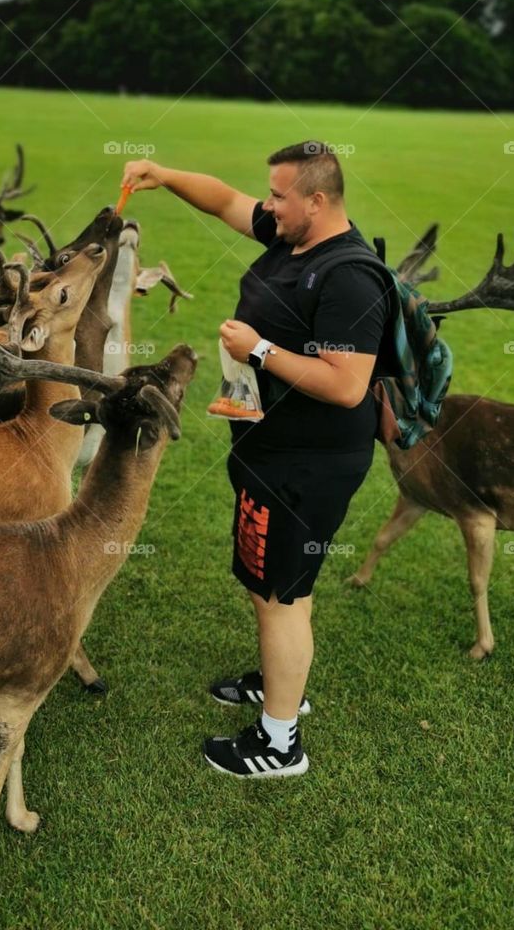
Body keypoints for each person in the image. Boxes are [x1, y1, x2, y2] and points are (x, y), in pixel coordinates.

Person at [120, 141, 390, 779]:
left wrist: (260, 349)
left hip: (307, 464)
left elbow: (347, 385)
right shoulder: (292, 236)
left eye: (278, 196)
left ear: (316, 200)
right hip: (270, 450)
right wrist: (163, 173)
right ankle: (279, 684)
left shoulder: (347, 276)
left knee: (279, 597)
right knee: (279, 585)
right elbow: (223, 201)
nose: (267, 206)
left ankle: (279, 742)